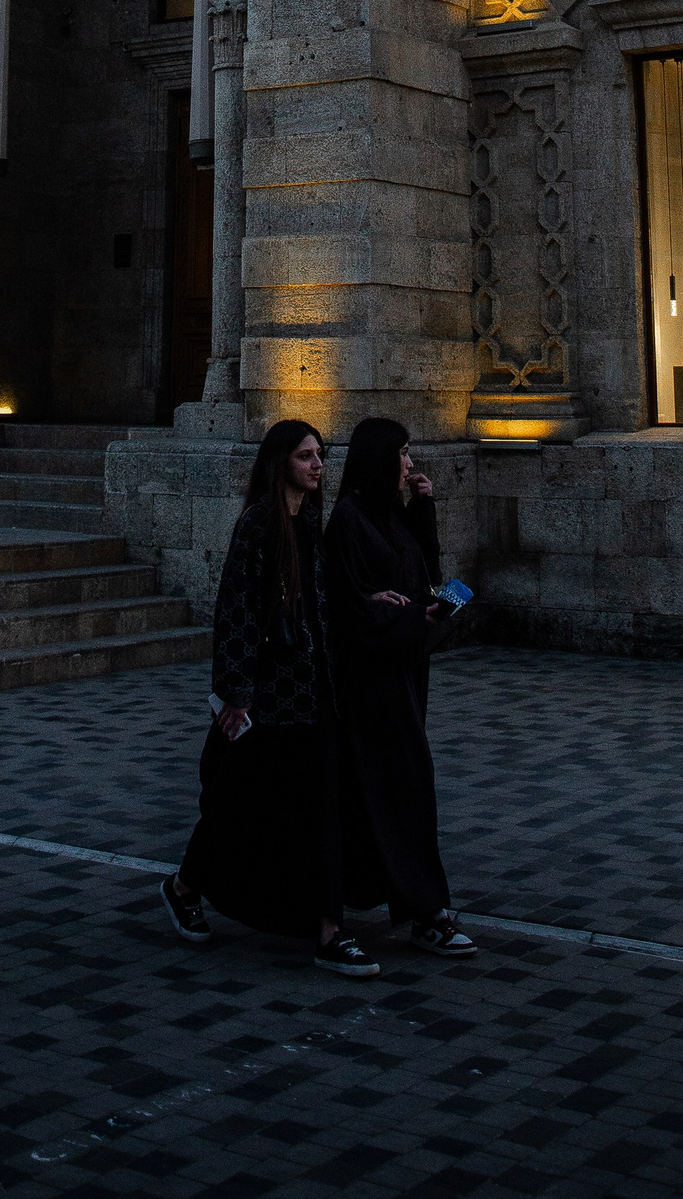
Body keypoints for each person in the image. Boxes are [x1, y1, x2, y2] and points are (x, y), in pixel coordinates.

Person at [163, 418, 378, 977]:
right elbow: (235, 609)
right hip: (268, 699)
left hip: (316, 694)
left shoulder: (308, 521)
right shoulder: (258, 524)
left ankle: (329, 930)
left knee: (321, 808)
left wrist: (371, 601)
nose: (317, 465)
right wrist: (235, 692)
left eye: (320, 455)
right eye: (306, 456)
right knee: (238, 802)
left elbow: (323, 600)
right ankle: (184, 886)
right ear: (280, 462)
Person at [324, 417, 473, 956]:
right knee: (401, 790)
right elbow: (350, 606)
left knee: (393, 791)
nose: (410, 465)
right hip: (372, 685)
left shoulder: (390, 515)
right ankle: (425, 911)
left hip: (404, 675)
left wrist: (424, 508)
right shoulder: (348, 520)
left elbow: (423, 576)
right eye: (403, 454)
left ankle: (405, 904)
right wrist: (404, 614)